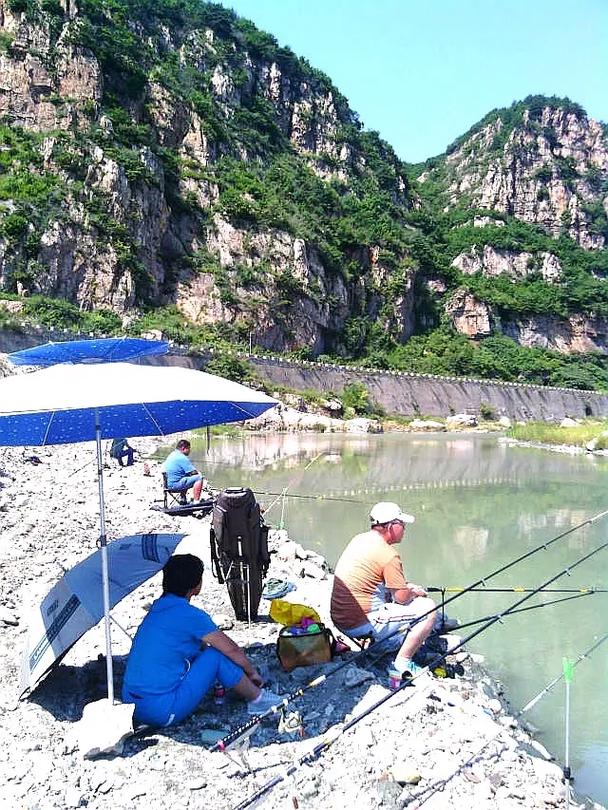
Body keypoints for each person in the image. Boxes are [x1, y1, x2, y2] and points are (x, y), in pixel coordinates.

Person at [122, 554, 280, 726]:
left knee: (204, 653)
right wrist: (251, 672)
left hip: (131, 706)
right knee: (215, 655)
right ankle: (258, 700)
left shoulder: (156, 609)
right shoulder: (190, 615)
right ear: (196, 586)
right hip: (162, 711)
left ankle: (236, 685)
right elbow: (231, 649)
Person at [330, 501, 436, 678]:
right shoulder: (389, 555)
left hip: (339, 619)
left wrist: (406, 588)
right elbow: (402, 598)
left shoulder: (360, 539)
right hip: (358, 624)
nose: (404, 528)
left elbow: (377, 583)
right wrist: (414, 592)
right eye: (402, 524)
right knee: (429, 609)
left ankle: (381, 644)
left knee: (403, 600)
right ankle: (402, 663)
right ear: (391, 526)